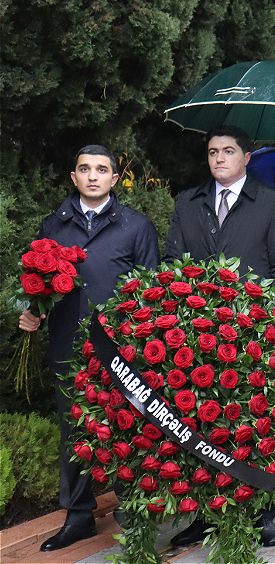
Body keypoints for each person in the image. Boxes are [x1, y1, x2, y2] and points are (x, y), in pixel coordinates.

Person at [164, 125, 275, 548]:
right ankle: (204, 513)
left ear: (246, 157)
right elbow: (169, 267)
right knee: (198, 427)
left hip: (251, 340)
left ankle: (261, 512)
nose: (218, 158)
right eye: (212, 152)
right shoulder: (188, 203)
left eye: (227, 151)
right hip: (195, 338)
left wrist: (269, 327)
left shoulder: (273, 202)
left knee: (251, 427)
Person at [19, 145, 158, 552]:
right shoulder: (52, 226)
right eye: (84, 169)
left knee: (126, 426)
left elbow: (151, 292)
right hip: (68, 345)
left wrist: (140, 343)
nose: (93, 176)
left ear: (115, 179)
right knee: (74, 430)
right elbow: (33, 285)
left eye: (102, 170)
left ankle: (132, 511)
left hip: (121, 351)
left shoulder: (137, 226)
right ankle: (78, 515)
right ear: (74, 177)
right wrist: (30, 312)